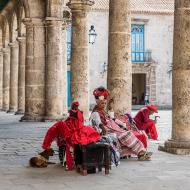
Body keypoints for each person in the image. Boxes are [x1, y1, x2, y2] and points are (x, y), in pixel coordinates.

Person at [90, 87, 152, 161]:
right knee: (127, 135)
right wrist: (103, 128)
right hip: (106, 133)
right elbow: (99, 123)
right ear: (97, 102)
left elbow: (112, 119)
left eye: (105, 103)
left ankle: (141, 153)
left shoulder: (103, 111)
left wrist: (122, 125)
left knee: (128, 135)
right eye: (102, 103)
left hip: (114, 130)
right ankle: (141, 152)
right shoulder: (95, 113)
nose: (104, 105)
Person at [42, 102, 100, 170]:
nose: (75, 108)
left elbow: (78, 124)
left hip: (75, 132)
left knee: (72, 139)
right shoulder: (74, 114)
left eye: (76, 107)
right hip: (72, 132)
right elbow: (72, 123)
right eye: (74, 107)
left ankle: (75, 161)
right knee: (66, 137)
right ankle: (69, 161)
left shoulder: (76, 113)